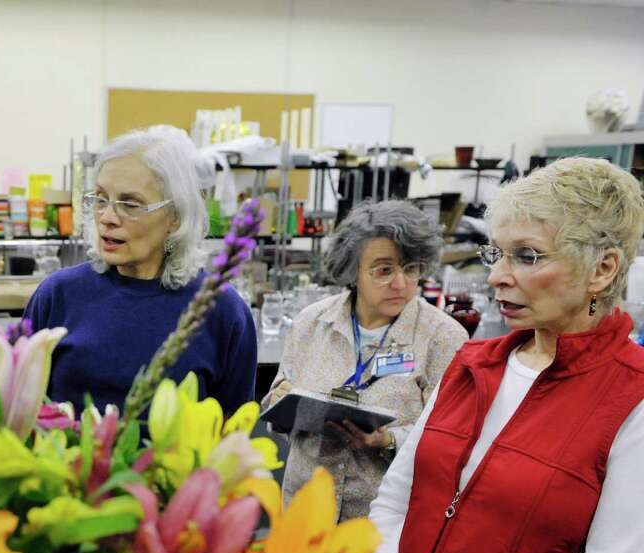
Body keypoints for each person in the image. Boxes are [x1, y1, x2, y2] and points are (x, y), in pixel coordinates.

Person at [365, 157, 644, 553]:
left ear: (603, 269)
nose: (496, 274)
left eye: (528, 256)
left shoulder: (631, 400)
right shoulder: (473, 364)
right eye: (498, 253)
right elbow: (395, 504)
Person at [23, 125, 256, 416]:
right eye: (100, 199)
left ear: (175, 216)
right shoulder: (58, 295)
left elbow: (232, 437)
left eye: (130, 204)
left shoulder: (220, 310)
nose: (107, 217)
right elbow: (19, 411)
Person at [261, 201, 468, 520]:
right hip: (305, 515)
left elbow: (455, 439)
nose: (400, 284)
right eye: (384, 270)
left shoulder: (443, 337)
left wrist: (388, 440)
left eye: (410, 269)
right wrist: (279, 403)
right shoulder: (312, 323)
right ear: (351, 271)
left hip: (384, 524)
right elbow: (277, 407)